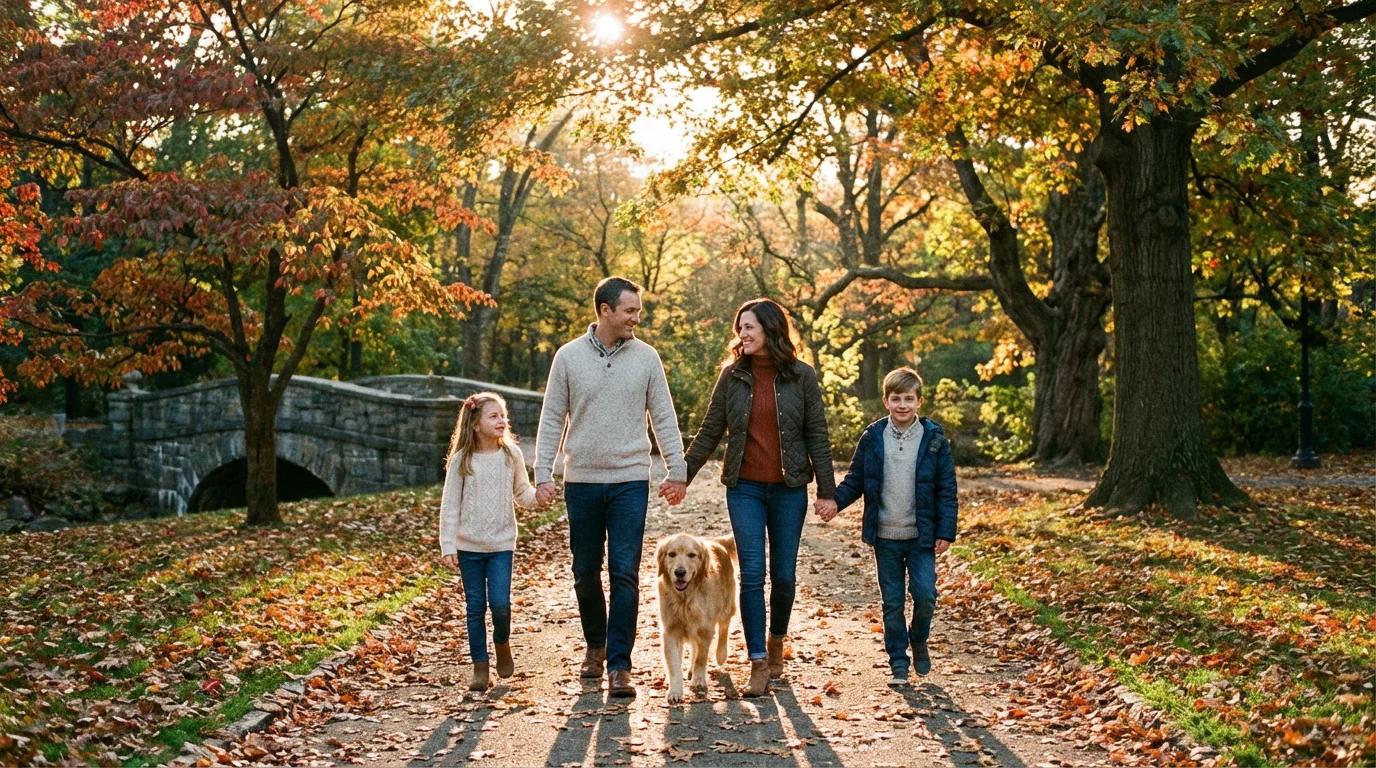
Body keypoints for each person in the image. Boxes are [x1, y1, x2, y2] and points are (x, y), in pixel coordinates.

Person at [534, 276, 688, 699]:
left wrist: (678, 470)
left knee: (624, 571)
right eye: (630, 311)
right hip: (581, 479)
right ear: (605, 310)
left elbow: (664, 417)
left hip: (629, 479)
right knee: (585, 571)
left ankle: (620, 665)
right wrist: (542, 474)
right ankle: (595, 646)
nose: (637, 318)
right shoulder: (567, 358)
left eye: (637, 311)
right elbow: (551, 419)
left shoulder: (647, 358)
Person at [683, 298, 836, 697]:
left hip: (789, 489)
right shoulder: (732, 376)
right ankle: (756, 660)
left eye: (749, 327)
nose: (742, 335)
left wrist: (827, 490)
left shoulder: (802, 376)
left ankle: (775, 641)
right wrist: (681, 476)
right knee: (752, 574)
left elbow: (817, 434)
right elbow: (710, 430)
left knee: (783, 576)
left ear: (770, 328)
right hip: (745, 488)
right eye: (740, 328)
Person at [833, 367, 958, 685]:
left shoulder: (934, 440)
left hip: (921, 536)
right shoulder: (873, 437)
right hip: (885, 534)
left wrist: (945, 531)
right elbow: (856, 480)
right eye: (896, 399)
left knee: (925, 595)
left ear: (919, 401)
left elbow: (947, 489)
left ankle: (918, 639)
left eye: (909, 399)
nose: (903, 405)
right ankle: (898, 661)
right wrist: (833, 502)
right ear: (886, 401)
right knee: (892, 601)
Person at [438, 392, 542, 692]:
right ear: (475, 423)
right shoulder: (462, 460)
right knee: (474, 607)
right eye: (494, 416)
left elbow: (523, 493)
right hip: (468, 547)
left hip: (501, 545)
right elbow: (450, 505)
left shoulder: (511, 455)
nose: (502, 420)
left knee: (500, 604)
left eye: (503, 415)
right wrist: (448, 545)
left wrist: (540, 498)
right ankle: (480, 667)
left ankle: (502, 642)